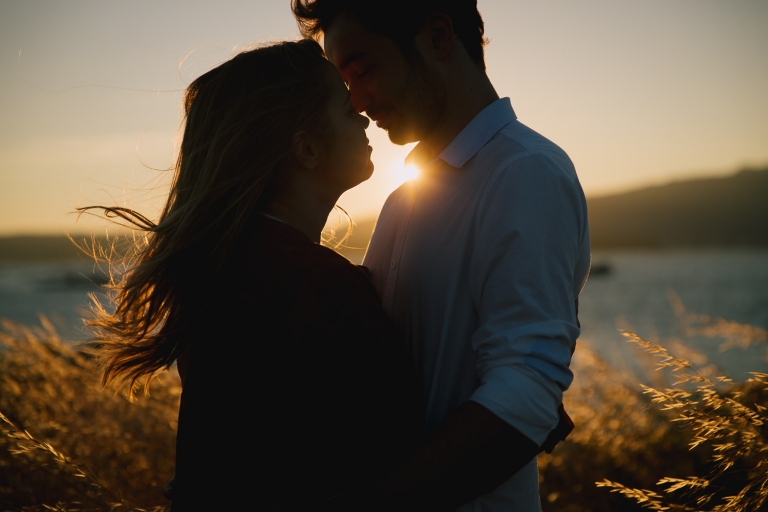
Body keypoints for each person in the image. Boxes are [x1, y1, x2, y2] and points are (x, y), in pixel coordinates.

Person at [79, 39, 421, 511]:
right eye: (346, 109)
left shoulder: (226, 268)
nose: (363, 113)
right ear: (306, 147)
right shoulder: (312, 285)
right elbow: (399, 447)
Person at [292, 1, 591, 510]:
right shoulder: (405, 198)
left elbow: (526, 389)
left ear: (436, 37)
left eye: (362, 71)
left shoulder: (524, 173)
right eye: (345, 84)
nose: (357, 101)